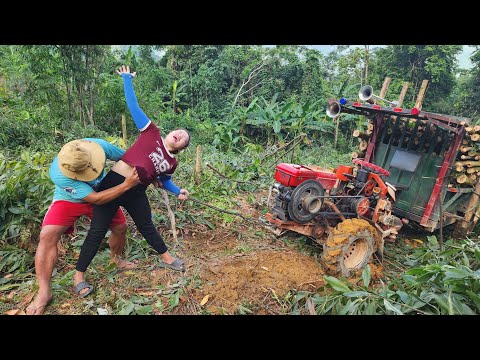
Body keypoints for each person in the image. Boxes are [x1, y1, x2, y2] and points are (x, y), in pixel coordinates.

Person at [73, 65, 191, 297]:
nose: (180, 134)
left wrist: (178, 191)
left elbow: (164, 182)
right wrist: (127, 79)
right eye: (179, 131)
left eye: (184, 138)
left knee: (146, 225)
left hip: (137, 190)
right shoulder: (152, 132)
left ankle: (167, 258)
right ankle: (79, 277)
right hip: (115, 182)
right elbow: (133, 106)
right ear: (170, 133)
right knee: (97, 231)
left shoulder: (172, 164)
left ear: (181, 148)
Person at [26, 138, 140, 315]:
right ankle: (44, 291)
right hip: (70, 198)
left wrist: (153, 176)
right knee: (47, 235)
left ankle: (115, 259)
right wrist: (125, 185)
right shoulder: (58, 174)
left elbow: (129, 158)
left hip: (103, 191)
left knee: (120, 228)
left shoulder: (100, 146)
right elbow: (95, 199)